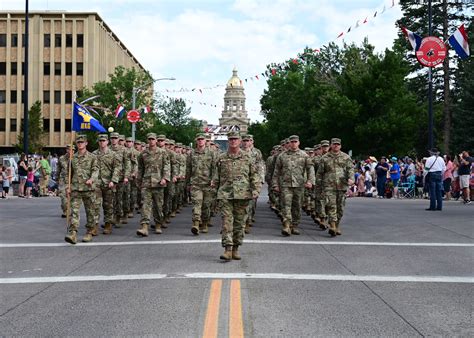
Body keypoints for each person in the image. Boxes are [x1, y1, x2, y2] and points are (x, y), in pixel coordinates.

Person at [215, 131, 261, 261]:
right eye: (231, 139)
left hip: (243, 195)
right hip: (225, 194)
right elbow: (216, 177)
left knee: (239, 223)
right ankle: (227, 249)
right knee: (226, 222)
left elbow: (254, 176)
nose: (233, 141)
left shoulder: (248, 158)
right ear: (228, 141)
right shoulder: (221, 158)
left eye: (235, 139)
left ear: (240, 141)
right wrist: (215, 194)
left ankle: (236, 248)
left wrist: (255, 190)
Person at [272, 135, 314, 236]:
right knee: (286, 205)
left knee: (297, 206)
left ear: (298, 143)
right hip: (286, 185)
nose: (294, 143)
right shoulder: (282, 156)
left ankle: (295, 225)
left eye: (295, 142)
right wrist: (275, 184)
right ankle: (286, 225)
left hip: (299, 185)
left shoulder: (304, 155)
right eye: (292, 142)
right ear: (289, 143)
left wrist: (310, 181)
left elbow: (310, 169)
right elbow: (276, 171)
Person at [315, 138, 354, 237]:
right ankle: (332, 225)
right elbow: (320, 174)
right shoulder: (325, 158)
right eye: (334, 144)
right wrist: (318, 188)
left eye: (338, 144)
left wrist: (351, 179)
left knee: (340, 208)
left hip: (342, 186)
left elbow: (350, 169)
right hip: (328, 186)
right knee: (331, 206)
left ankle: (336, 225)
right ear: (331, 145)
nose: (336, 146)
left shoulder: (345, 157)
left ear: (340, 146)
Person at [65, 135, 99, 244]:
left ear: (86, 143)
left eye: (82, 142)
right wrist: (68, 187)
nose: (80, 144)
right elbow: (69, 174)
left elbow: (95, 170)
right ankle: (73, 233)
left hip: (88, 189)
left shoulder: (92, 157)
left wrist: (92, 179)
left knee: (90, 212)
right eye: (78, 142)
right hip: (75, 188)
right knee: (74, 211)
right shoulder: (72, 158)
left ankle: (89, 232)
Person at [136, 133, 171, 237]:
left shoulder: (163, 153)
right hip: (146, 183)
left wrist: (165, 178)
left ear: (156, 140)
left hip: (159, 183)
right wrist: (139, 181)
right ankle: (144, 226)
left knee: (158, 206)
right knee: (145, 205)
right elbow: (140, 169)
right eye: (149, 139)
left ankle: (158, 224)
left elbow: (166, 166)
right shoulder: (143, 154)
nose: (151, 141)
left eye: (153, 139)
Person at [186, 133, 217, 235]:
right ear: (196, 141)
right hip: (195, 183)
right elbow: (188, 169)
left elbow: (214, 168)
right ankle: (195, 223)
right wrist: (188, 183)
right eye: (198, 139)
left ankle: (205, 224)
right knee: (196, 204)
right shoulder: (192, 154)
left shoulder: (211, 153)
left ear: (205, 141)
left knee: (206, 206)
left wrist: (213, 180)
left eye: (202, 139)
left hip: (208, 184)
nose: (200, 141)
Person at [93, 134, 120, 235]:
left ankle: (108, 224)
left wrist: (113, 180)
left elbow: (117, 168)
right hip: (97, 184)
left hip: (109, 183)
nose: (102, 142)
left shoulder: (113, 154)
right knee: (95, 205)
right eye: (100, 141)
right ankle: (94, 226)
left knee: (108, 205)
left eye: (104, 141)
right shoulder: (94, 154)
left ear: (107, 142)